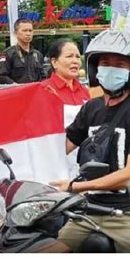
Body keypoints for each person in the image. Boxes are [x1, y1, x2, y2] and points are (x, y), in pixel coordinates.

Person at [49, 29, 130, 253]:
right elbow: (59, 146)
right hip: (91, 208)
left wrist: (75, 186)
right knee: (50, 249)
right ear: (94, 69)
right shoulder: (91, 108)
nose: (111, 68)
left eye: (120, 64)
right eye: (104, 62)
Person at [41, 38, 90, 178]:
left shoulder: (85, 92)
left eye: (77, 56)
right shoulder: (44, 90)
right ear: (54, 62)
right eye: (69, 56)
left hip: (83, 162)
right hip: (54, 162)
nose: (75, 61)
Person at [0, 18, 45, 84]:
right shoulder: (8, 54)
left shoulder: (38, 54)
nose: (28, 33)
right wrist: (16, 86)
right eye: (24, 30)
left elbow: (43, 77)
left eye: (30, 30)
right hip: (17, 92)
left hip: (35, 92)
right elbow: (2, 77)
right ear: (15, 33)